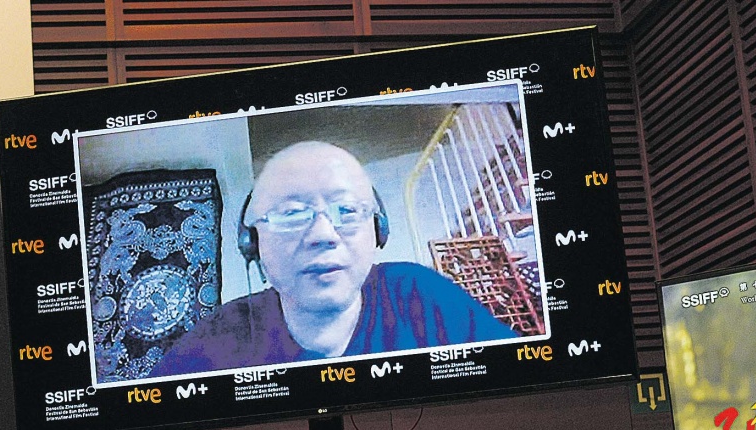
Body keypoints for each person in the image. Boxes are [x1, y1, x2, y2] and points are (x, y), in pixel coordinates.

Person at [151, 141, 516, 376]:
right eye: (291, 214)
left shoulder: (421, 295)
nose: (323, 235)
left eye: (348, 210)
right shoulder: (217, 341)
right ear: (253, 243)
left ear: (378, 229)